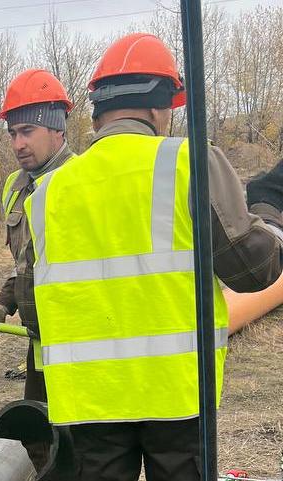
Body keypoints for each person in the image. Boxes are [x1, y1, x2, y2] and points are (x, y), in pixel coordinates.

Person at [25, 33, 283, 481]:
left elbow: (32, 308)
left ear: (98, 111)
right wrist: (268, 215)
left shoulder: (48, 192)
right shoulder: (189, 161)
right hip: (176, 395)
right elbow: (253, 271)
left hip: (89, 402)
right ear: (160, 106)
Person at [0, 68, 75, 404]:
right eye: (12, 133)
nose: (18, 144)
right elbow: (27, 264)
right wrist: (2, 304)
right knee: (42, 442)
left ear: (58, 128)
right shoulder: (16, 189)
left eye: (27, 131)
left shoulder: (83, 183)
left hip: (85, 345)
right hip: (41, 344)